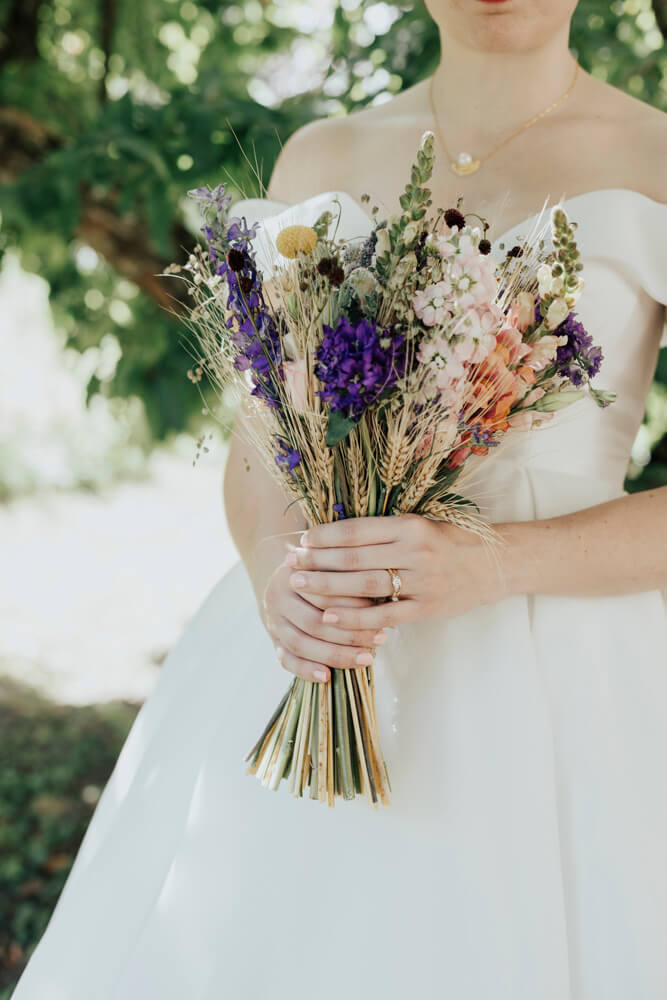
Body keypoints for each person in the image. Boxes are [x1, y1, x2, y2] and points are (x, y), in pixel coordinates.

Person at [12, 1, 667, 997]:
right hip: (322, 651)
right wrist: (276, 576)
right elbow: (261, 440)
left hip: (567, 674)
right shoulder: (320, 155)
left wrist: (498, 562)